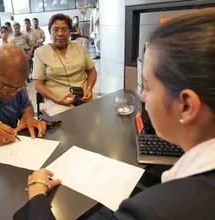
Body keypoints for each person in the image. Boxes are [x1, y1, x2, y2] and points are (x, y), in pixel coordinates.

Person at [14, 9, 215, 220]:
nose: (142, 96)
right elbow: (38, 84)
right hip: (58, 104)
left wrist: (37, 192)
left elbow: (91, 71)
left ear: (186, 106)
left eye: (147, 86)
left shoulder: (154, 209)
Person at [33, 14, 97, 116]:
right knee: (67, 127)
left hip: (85, 96)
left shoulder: (79, 46)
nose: (60, 33)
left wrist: (89, 89)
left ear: (69, 32)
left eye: (64, 29)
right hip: (58, 101)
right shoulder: (41, 53)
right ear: (50, 32)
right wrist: (57, 99)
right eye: (56, 29)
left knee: (96, 121)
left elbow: (92, 71)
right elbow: (38, 84)